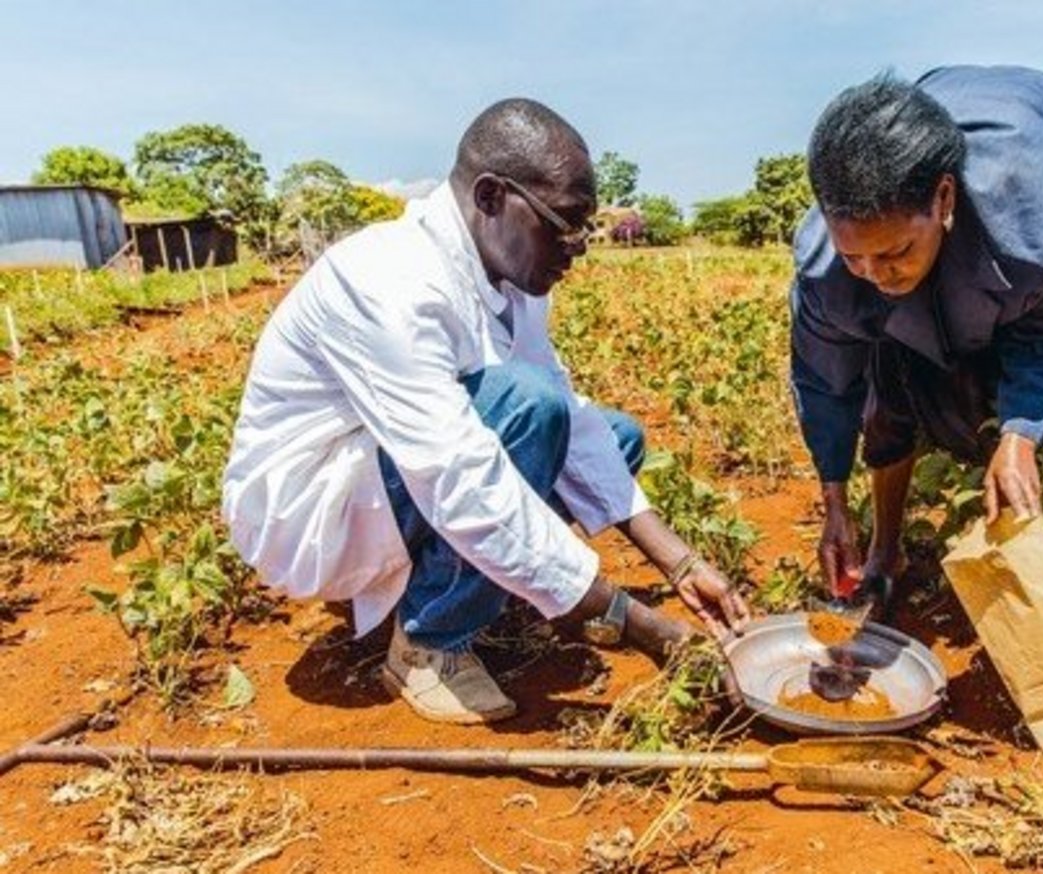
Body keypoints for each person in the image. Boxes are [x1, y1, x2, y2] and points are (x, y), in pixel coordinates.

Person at [223, 98, 750, 726]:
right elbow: (460, 475)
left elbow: (577, 430)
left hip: (401, 475)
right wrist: (641, 625)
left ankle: (489, 582)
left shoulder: (508, 276)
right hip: (315, 509)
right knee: (530, 409)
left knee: (613, 435)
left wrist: (681, 562)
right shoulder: (391, 280)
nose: (578, 246)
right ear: (493, 196)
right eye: (566, 222)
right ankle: (429, 642)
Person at [790, 66, 1043, 599]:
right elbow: (825, 382)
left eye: (895, 252)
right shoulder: (826, 267)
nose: (877, 273)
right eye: (854, 256)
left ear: (945, 199)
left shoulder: (1040, 226)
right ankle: (888, 548)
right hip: (954, 120)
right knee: (893, 359)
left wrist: (1021, 434)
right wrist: (836, 501)